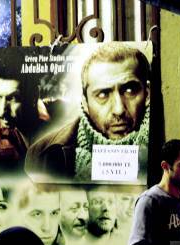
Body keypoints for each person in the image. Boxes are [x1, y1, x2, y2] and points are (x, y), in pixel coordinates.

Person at [26, 42, 151, 182]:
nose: (119, 109)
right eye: (103, 95)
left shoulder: (164, 148)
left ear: (147, 93)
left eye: (129, 91)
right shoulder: (42, 154)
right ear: (85, 102)